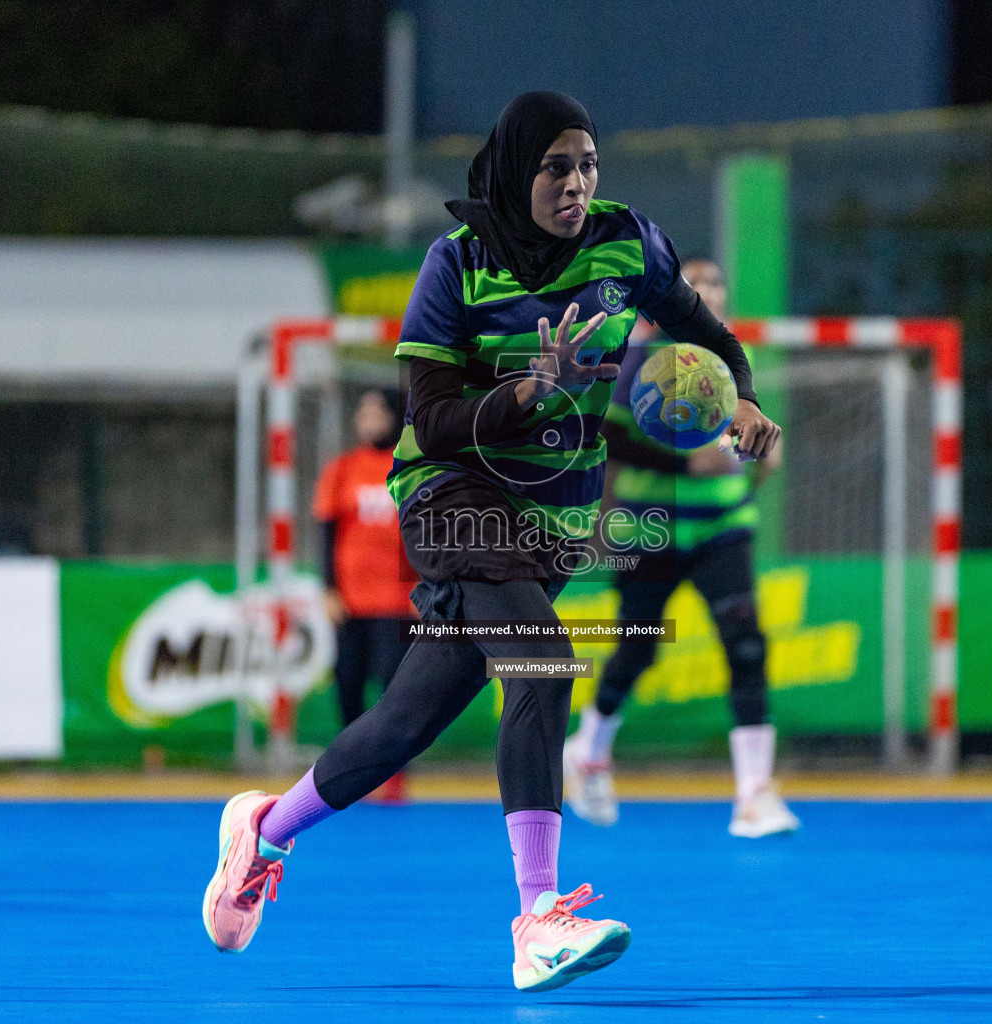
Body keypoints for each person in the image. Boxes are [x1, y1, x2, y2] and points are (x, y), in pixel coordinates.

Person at [201, 91, 781, 992]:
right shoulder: (456, 265)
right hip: (451, 497)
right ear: (516, 169)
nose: (578, 182)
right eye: (557, 165)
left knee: (406, 722)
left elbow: (709, 333)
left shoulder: (630, 242)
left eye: (588, 163)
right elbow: (427, 420)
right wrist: (522, 395)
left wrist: (741, 394)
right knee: (545, 664)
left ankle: (263, 832)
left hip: (550, 525)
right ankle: (538, 921)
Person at [563, 258, 800, 838]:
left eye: (719, 283)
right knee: (638, 650)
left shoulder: (730, 361)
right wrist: (681, 465)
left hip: (723, 525)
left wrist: (763, 453)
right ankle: (588, 748)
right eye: (698, 284)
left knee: (745, 642)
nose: (711, 292)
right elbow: (607, 435)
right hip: (652, 526)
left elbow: (754, 444)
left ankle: (753, 794)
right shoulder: (640, 356)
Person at [314, 388, 415, 803]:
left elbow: (425, 535)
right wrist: (328, 589)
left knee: (396, 691)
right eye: (364, 411)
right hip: (351, 602)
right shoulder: (342, 470)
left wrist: (423, 591)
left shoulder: (411, 469)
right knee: (348, 684)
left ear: (395, 417)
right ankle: (352, 770)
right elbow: (326, 532)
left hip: (398, 602)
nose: (370, 418)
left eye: (378, 411)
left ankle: (393, 771)